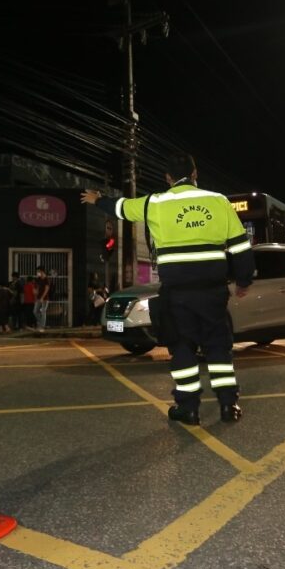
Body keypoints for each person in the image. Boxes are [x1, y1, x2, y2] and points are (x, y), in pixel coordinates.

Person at [81, 152, 254, 426]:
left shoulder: (155, 203)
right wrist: (243, 281)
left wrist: (97, 200)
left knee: (182, 346)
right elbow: (241, 247)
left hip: (178, 292)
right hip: (212, 291)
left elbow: (122, 208)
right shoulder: (218, 202)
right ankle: (228, 405)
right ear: (195, 174)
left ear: (168, 178)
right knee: (218, 347)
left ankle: (189, 409)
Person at [33, 266, 51, 332]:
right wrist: (35, 292)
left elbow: (47, 289)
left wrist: (42, 298)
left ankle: (42, 327)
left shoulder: (47, 279)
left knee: (43, 311)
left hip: (45, 298)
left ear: (42, 271)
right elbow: (37, 288)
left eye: (38, 271)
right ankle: (40, 323)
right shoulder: (38, 279)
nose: (37, 273)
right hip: (38, 298)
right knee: (35, 311)